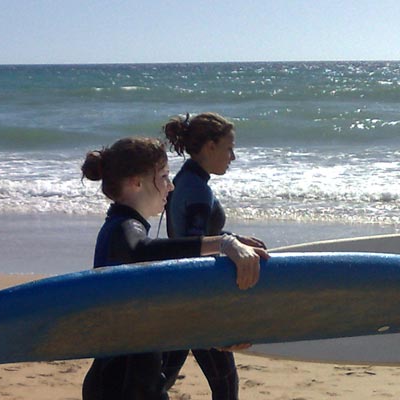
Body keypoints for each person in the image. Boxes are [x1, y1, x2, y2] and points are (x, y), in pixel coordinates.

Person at [79, 137, 267, 400]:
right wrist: (222, 243)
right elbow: (141, 250)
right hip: (120, 387)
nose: (171, 185)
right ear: (137, 182)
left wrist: (213, 338)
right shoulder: (122, 231)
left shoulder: (123, 229)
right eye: (164, 176)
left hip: (133, 385)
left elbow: (156, 319)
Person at [160, 113, 266, 400]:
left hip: (182, 294)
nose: (233, 156)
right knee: (225, 386)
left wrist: (231, 238)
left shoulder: (187, 179)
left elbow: (191, 238)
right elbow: (193, 245)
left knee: (159, 382)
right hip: (197, 298)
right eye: (229, 148)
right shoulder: (197, 190)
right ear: (210, 147)